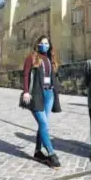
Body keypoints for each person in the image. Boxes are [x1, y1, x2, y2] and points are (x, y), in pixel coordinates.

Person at [21, 35, 62, 169]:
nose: (44, 45)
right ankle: (51, 153)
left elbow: (52, 76)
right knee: (43, 123)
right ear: (37, 44)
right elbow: (26, 75)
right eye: (42, 43)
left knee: (43, 124)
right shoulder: (31, 57)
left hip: (49, 94)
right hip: (36, 94)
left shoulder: (50, 59)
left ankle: (38, 151)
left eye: (46, 43)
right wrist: (26, 91)